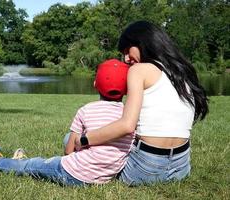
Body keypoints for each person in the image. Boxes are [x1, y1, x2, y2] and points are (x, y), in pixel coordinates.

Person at [73, 21, 209, 186]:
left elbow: (127, 125)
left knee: (71, 138)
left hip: (145, 169)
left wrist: (84, 140)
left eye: (127, 51)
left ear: (143, 43)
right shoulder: (181, 72)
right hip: (181, 168)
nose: (126, 59)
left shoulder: (139, 70)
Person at [0, 59, 134, 186]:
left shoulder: (86, 110)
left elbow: (68, 151)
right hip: (105, 176)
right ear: (127, 89)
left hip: (74, 174)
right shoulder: (130, 116)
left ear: (95, 84)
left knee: (32, 165)